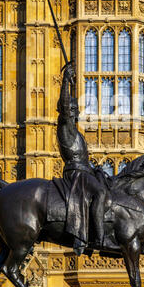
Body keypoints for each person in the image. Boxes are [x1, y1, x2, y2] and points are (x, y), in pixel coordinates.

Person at [56, 63, 107, 255]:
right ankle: (99, 239)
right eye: (74, 108)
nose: (76, 111)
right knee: (100, 193)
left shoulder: (75, 133)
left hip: (84, 171)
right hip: (76, 174)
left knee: (107, 186)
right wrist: (65, 81)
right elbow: (64, 104)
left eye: (75, 108)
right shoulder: (66, 127)